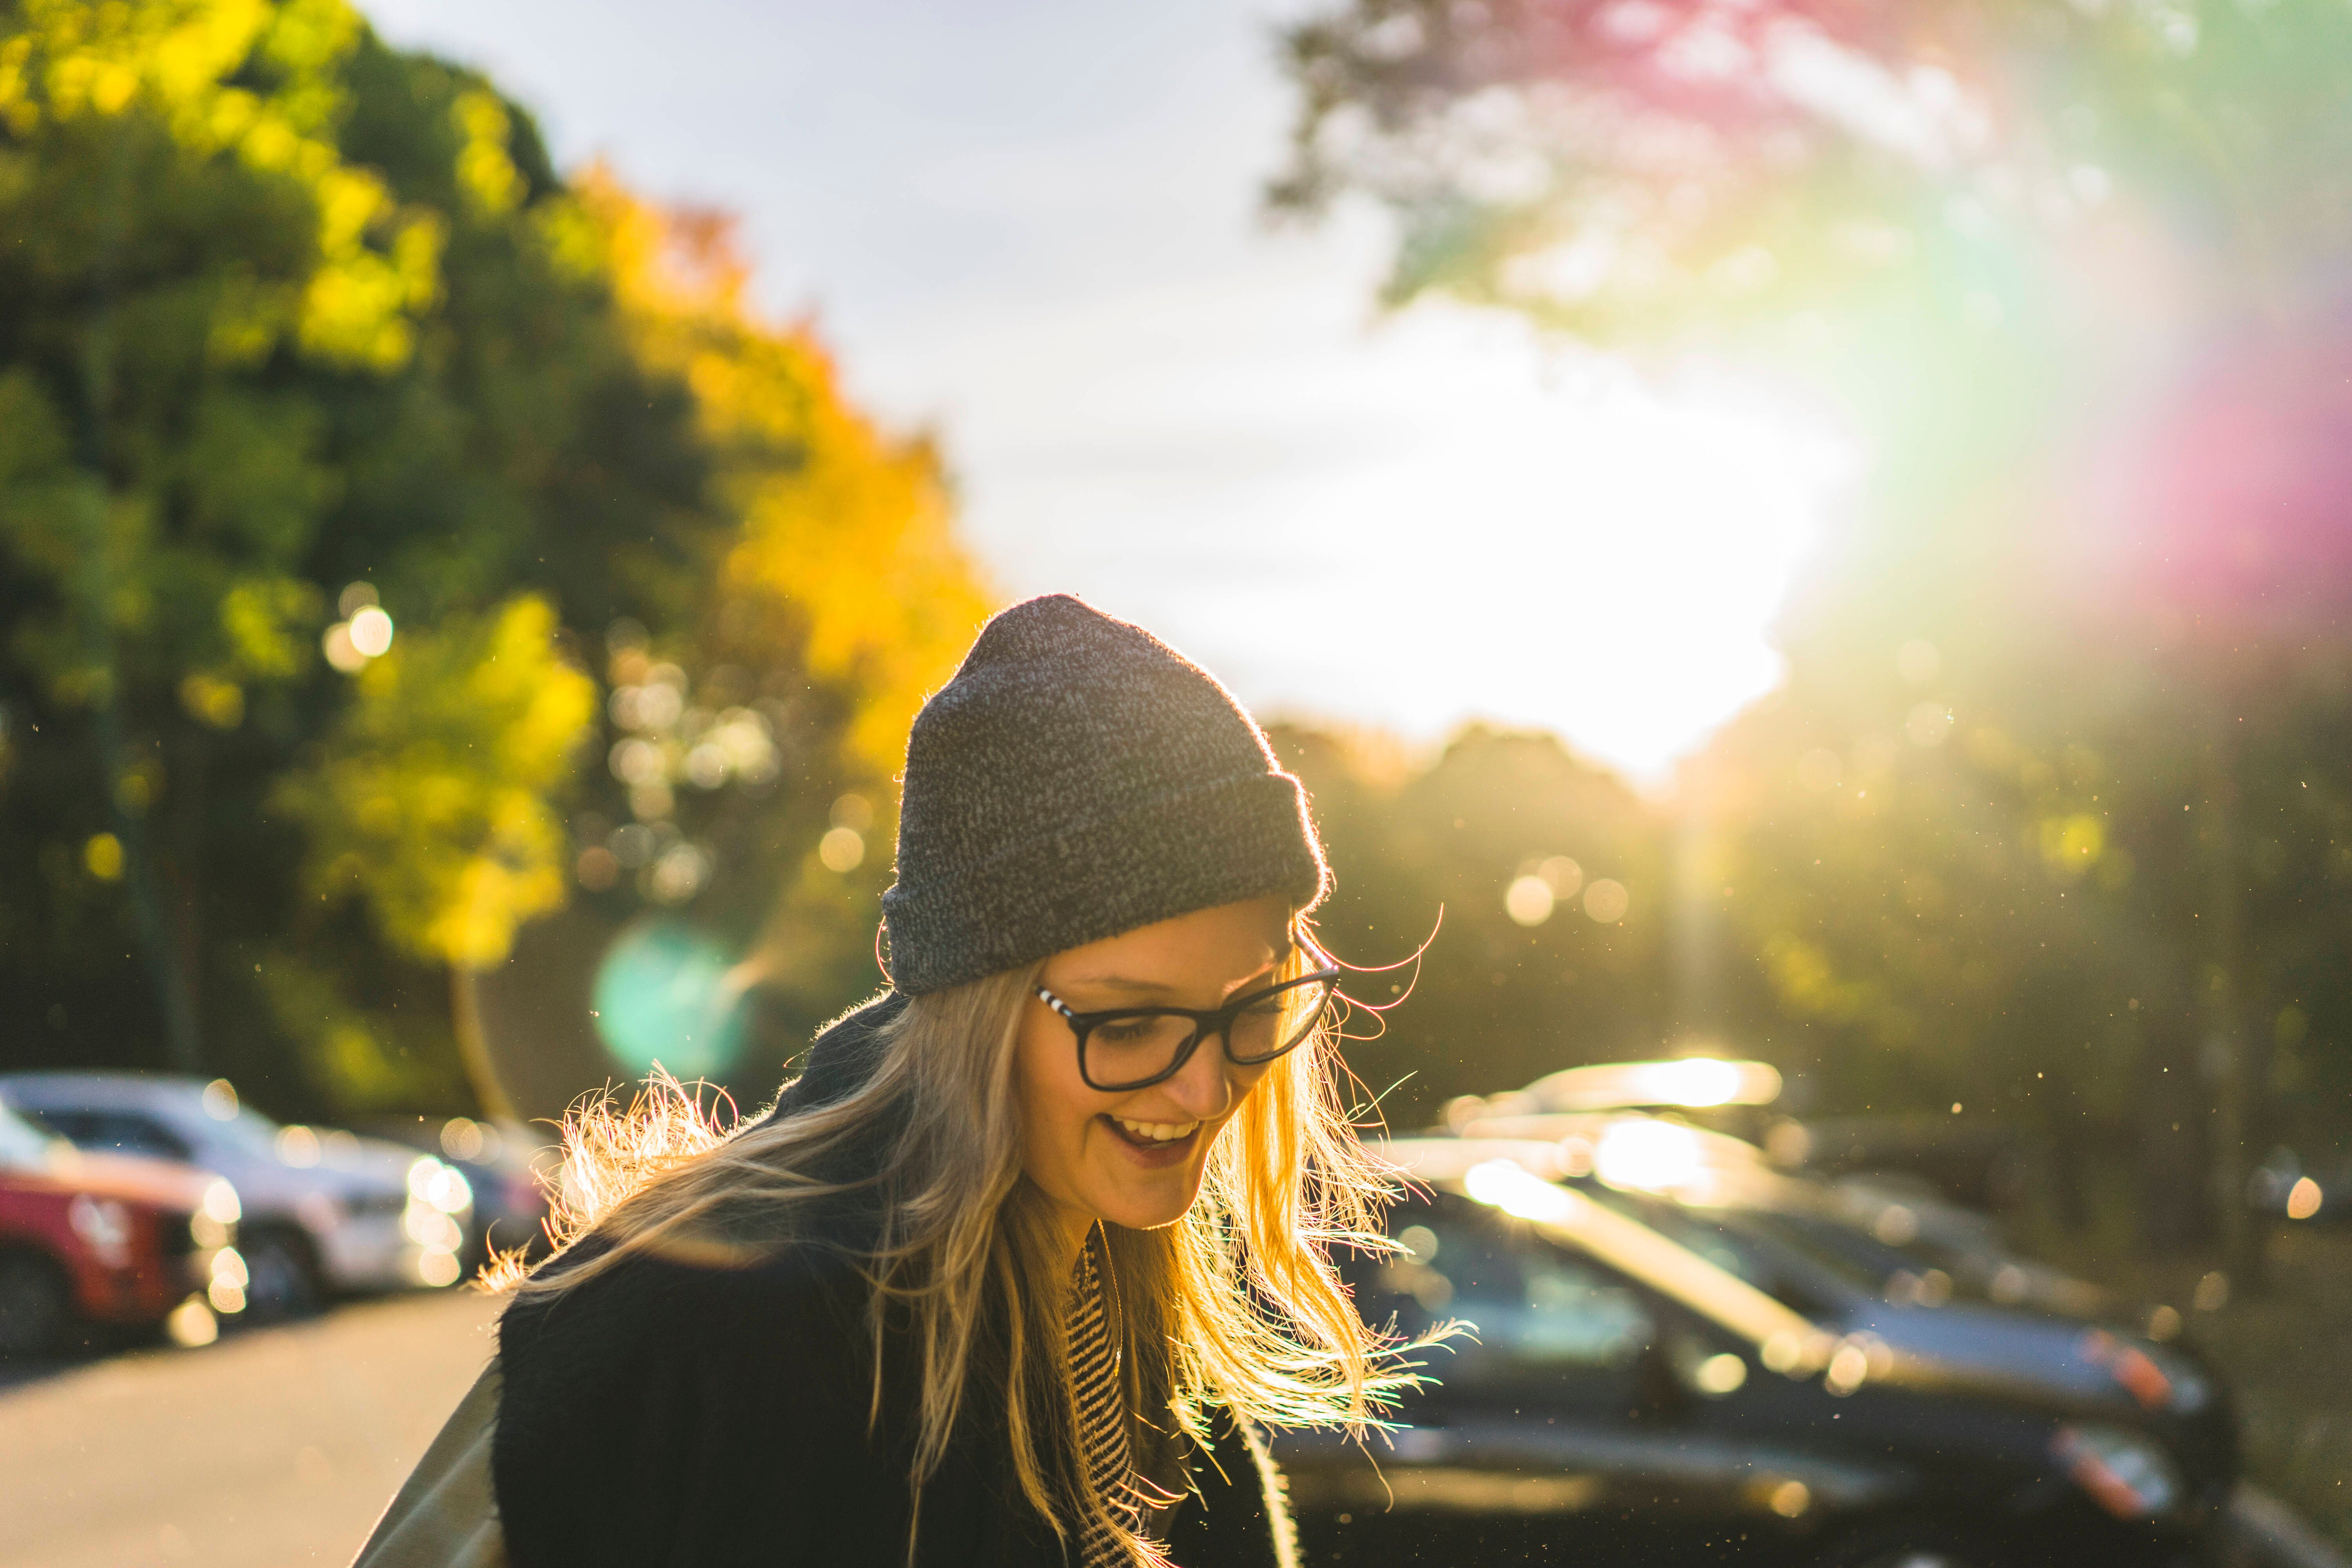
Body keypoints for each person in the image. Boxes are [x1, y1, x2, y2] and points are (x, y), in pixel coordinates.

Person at [353, 593, 1412, 1568]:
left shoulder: (1137, 1294)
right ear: (973, 1005)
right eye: (1129, 1024)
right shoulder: (728, 1339)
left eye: (1252, 1008)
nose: (1205, 1092)